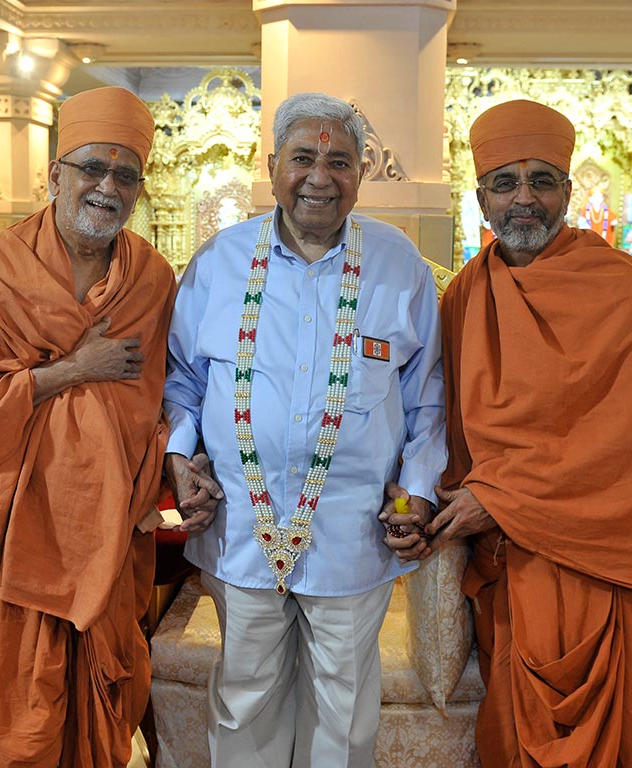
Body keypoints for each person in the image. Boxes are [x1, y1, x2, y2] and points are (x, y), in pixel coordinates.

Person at [0, 86, 218, 767]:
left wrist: (179, 462)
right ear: (55, 175)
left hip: (109, 535)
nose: (108, 187)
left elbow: (162, 401)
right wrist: (73, 370)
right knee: (19, 727)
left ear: (139, 190)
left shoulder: (152, 281)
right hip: (15, 539)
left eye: (126, 175)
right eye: (92, 169)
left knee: (100, 725)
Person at [387, 99, 632, 768]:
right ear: (481, 199)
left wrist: (501, 499)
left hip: (597, 554)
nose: (524, 199)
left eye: (542, 181)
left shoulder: (615, 284)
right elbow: (443, 421)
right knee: (511, 734)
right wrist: (423, 499)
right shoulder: (466, 292)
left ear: (568, 192)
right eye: (505, 182)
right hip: (507, 559)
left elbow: (628, 442)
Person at [163, 91, 446, 768]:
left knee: (344, 712)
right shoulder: (219, 261)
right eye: (303, 159)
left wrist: (415, 496)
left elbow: (427, 397)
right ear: (272, 167)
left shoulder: (399, 264)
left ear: (361, 172)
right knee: (243, 700)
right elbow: (183, 381)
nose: (320, 177)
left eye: (339, 161)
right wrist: (178, 457)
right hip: (240, 528)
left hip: (354, 533)